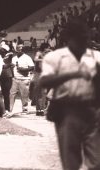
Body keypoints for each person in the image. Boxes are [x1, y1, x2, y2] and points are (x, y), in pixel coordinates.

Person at [39, 20, 100, 170]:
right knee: (71, 159)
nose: (84, 40)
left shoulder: (96, 56)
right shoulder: (55, 57)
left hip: (92, 109)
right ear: (69, 38)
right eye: (80, 37)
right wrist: (74, 73)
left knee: (96, 160)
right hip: (66, 110)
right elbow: (44, 81)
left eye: (86, 37)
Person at [7, 44, 34, 116]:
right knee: (12, 94)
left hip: (24, 79)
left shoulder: (27, 58)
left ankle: (24, 109)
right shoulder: (14, 58)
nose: (18, 50)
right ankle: (10, 109)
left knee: (24, 96)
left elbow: (32, 67)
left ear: (23, 50)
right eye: (17, 49)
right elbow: (12, 67)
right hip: (15, 79)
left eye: (20, 49)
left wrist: (23, 69)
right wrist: (13, 75)